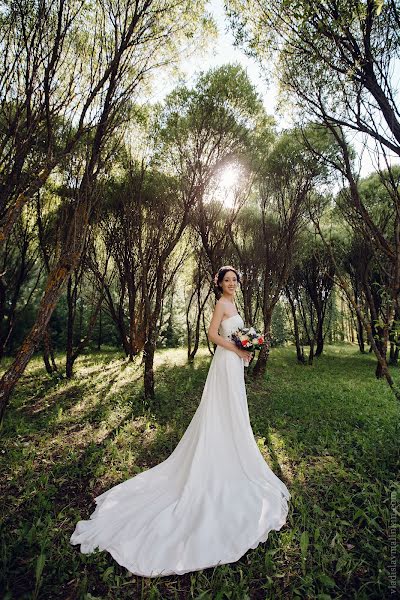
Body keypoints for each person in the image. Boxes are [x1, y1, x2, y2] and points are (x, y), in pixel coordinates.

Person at [70, 265, 290, 577]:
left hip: (235, 364)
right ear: (220, 284)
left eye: (234, 280)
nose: (231, 284)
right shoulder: (220, 304)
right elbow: (214, 335)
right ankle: (216, 459)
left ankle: (233, 453)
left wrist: (245, 350)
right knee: (221, 413)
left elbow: (235, 333)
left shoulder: (235, 304)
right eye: (227, 280)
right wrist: (238, 349)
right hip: (225, 364)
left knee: (235, 415)